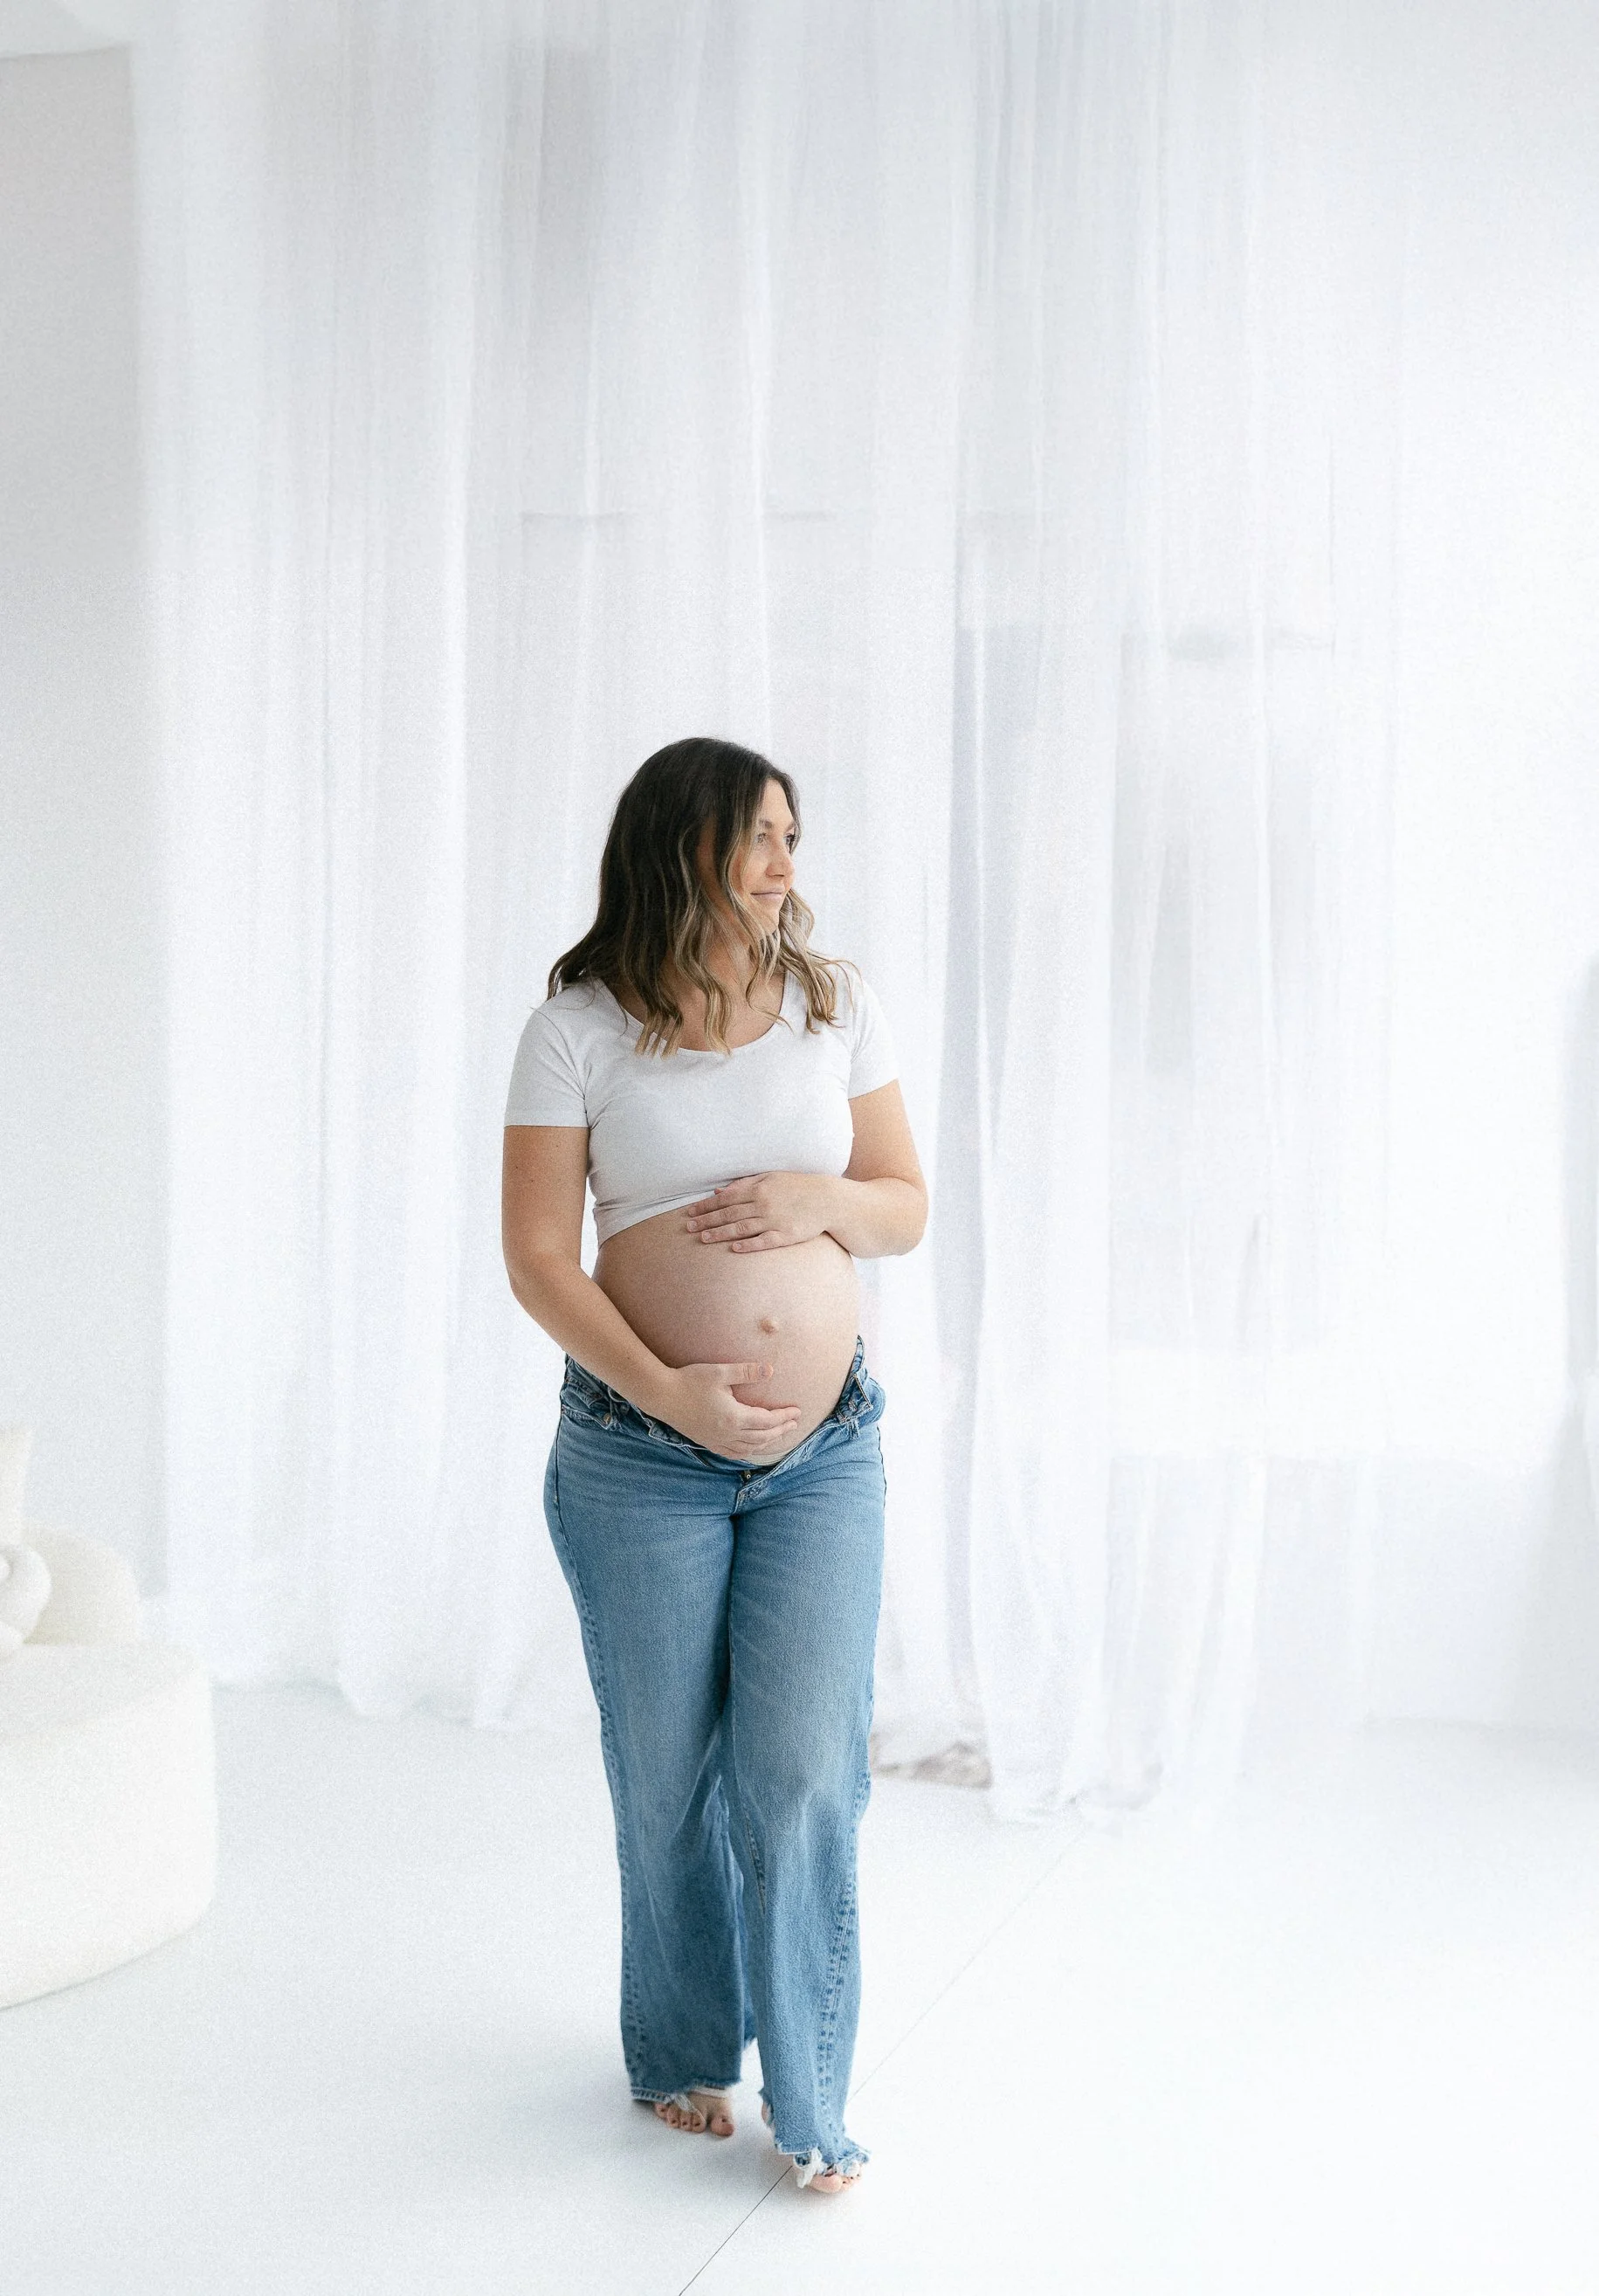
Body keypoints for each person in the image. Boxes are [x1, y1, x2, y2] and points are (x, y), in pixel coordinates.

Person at [500, 735, 927, 2194]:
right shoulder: (578, 1025)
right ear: (676, 843)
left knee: (804, 1771)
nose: (783, 865)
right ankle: (684, 2048)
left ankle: (812, 2103)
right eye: (757, 834)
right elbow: (539, 1263)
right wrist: (670, 1391)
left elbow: (904, 1208)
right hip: (638, 1458)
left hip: (825, 1454)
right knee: (666, 1772)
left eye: (792, 839)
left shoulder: (833, 1003)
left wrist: (823, 1198)